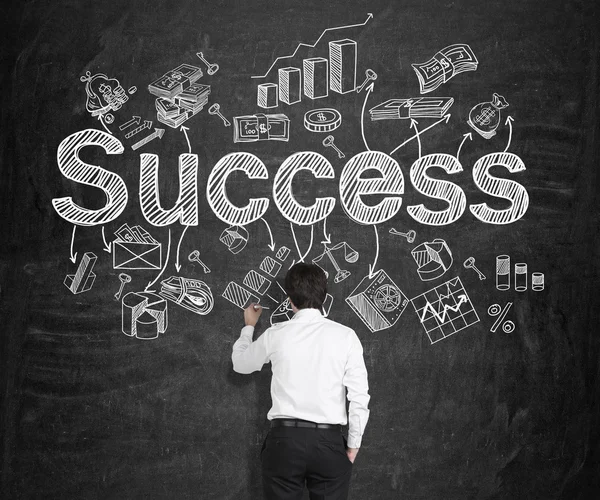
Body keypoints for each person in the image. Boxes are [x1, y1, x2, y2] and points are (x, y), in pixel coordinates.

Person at [232, 262, 370, 499]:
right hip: (329, 442)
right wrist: (353, 445)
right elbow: (359, 396)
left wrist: (249, 327)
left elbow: (241, 364)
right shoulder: (346, 336)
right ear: (324, 296)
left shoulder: (276, 334)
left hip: (285, 442)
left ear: (290, 298)